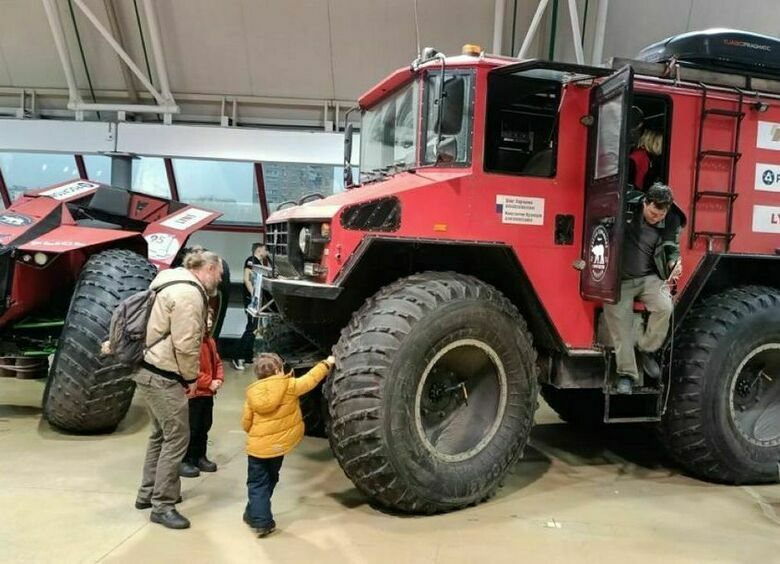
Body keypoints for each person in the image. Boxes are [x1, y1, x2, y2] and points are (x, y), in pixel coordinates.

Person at [133, 249, 224, 530]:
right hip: (163, 374)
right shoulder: (188, 295)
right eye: (218, 275)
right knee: (177, 438)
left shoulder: (166, 282)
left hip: (147, 368)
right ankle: (163, 505)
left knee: (160, 435)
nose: (219, 281)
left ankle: (147, 493)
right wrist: (191, 378)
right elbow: (186, 344)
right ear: (208, 268)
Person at [603, 183, 685, 395]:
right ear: (645, 202)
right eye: (652, 212)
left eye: (660, 214)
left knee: (664, 306)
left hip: (649, 277)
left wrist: (673, 264)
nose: (655, 217)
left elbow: (671, 247)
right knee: (619, 321)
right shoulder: (628, 204)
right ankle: (627, 375)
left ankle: (645, 348)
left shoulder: (672, 218)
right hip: (619, 278)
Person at [241, 352, 335, 537]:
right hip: (278, 448)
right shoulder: (290, 386)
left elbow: (246, 423)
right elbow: (311, 379)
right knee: (271, 479)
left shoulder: (252, 393)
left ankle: (257, 516)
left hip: (257, 450)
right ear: (278, 369)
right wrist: (327, 363)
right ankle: (261, 519)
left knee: (257, 484)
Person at [180, 308, 224, 478]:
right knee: (191, 427)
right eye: (206, 319)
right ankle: (184, 459)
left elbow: (217, 362)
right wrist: (208, 382)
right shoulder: (190, 343)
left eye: (211, 319)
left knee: (204, 426)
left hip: (207, 394)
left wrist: (219, 378)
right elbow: (189, 369)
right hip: (193, 394)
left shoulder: (210, 342)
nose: (210, 322)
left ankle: (200, 456)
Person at [233, 243, 270, 371]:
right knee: (251, 328)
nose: (267, 252)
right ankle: (238, 357)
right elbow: (247, 279)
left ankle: (247, 356)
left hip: (258, 301)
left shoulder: (262, 263)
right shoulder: (250, 261)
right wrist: (254, 295)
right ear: (259, 250)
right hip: (252, 301)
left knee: (254, 329)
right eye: (265, 249)